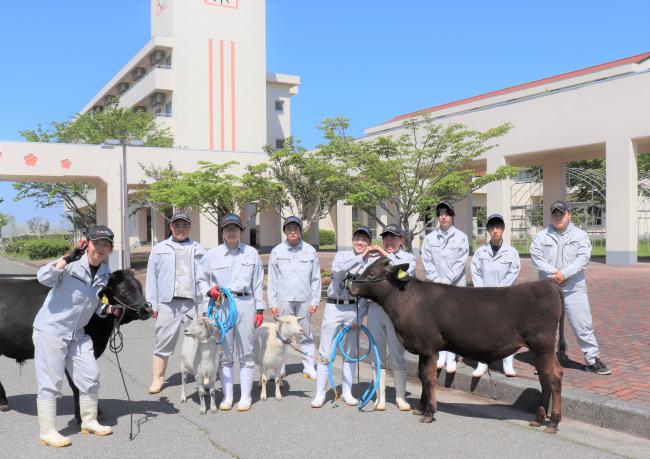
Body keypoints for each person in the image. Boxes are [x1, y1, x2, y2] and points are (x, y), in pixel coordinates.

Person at [33, 226, 116, 447]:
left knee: (90, 376)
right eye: (97, 243)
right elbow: (43, 277)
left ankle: (89, 421)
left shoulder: (105, 271)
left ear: (110, 248)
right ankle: (47, 431)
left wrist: (108, 310)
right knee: (51, 382)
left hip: (77, 334)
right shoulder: (70, 264)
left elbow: (94, 302)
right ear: (87, 242)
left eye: (105, 244)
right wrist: (66, 258)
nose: (100, 248)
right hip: (52, 330)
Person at [530, 200, 611, 375]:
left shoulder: (580, 235)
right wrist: (555, 274)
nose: (558, 217)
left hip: (574, 288)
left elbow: (583, 258)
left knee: (583, 324)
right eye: (555, 213)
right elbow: (536, 258)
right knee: (547, 327)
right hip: (548, 289)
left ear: (569, 215)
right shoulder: (541, 236)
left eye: (561, 213)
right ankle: (546, 361)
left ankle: (592, 359)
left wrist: (564, 274)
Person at [203, 213, 266, 411]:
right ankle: (228, 396)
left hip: (246, 302)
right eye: (228, 229)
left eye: (235, 228)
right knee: (225, 352)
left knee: (246, 352)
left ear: (241, 231)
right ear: (222, 232)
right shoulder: (212, 254)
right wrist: (209, 290)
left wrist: (260, 309)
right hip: (222, 304)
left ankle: (246, 396)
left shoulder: (251, 253)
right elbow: (202, 279)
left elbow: (257, 282)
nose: (231, 232)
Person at [311, 225, 379, 408]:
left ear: (369, 243)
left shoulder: (371, 263)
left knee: (350, 352)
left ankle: (347, 392)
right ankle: (320, 394)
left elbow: (366, 293)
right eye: (358, 238)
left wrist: (360, 316)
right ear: (352, 241)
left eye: (364, 240)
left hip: (354, 309)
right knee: (326, 350)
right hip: (334, 306)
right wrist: (360, 257)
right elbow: (339, 269)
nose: (360, 242)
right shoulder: (343, 255)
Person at [146, 212, 210, 394]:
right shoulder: (159, 249)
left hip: (194, 302)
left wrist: (205, 304)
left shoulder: (198, 248)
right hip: (168, 303)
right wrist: (153, 304)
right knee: (163, 341)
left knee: (199, 341)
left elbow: (206, 277)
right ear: (171, 227)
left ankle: (203, 377)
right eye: (177, 225)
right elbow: (152, 277)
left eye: (184, 226)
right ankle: (158, 379)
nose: (181, 229)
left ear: (189, 228)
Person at [365, 223, 416, 412]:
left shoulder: (408, 258)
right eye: (386, 237)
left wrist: (385, 257)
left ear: (401, 240)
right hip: (375, 310)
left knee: (397, 353)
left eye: (393, 237)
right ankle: (380, 397)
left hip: (396, 313)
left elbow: (401, 277)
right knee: (376, 355)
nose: (389, 241)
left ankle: (401, 397)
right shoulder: (374, 259)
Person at [267, 216, 321, 379]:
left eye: (295, 229)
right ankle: (280, 367)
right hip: (283, 299)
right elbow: (272, 278)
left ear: (300, 232)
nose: (292, 232)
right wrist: (273, 301)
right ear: (285, 231)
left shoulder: (310, 250)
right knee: (282, 334)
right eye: (289, 229)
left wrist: (315, 300)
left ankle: (309, 366)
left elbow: (316, 278)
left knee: (305, 333)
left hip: (304, 299)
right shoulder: (277, 251)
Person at [470, 214, 521, 377]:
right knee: (483, 331)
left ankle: (508, 363)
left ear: (503, 230)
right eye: (492, 227)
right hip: (484, 298)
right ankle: (482, 362)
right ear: (488, 231)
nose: (495, 230)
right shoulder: (480, 252)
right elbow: (476, 272)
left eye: (498, 227)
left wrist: (499, 291)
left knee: (506, 331)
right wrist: (483, 292)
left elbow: (514, 271)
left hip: (505, 297)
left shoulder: (511, 252)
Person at [421, 201, 469, 373]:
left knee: (455, 323)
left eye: (447, 213)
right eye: (440, 213)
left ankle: (452, 357)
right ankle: (441, 354)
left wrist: (447, 279)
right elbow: (426, 260)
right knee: (439, 322)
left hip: (455, 286)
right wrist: (435, 278)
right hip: (437, 286)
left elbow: (461, 261)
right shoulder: (430, 238)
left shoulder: (461, 237)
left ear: (452, 216)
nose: (443, 217)